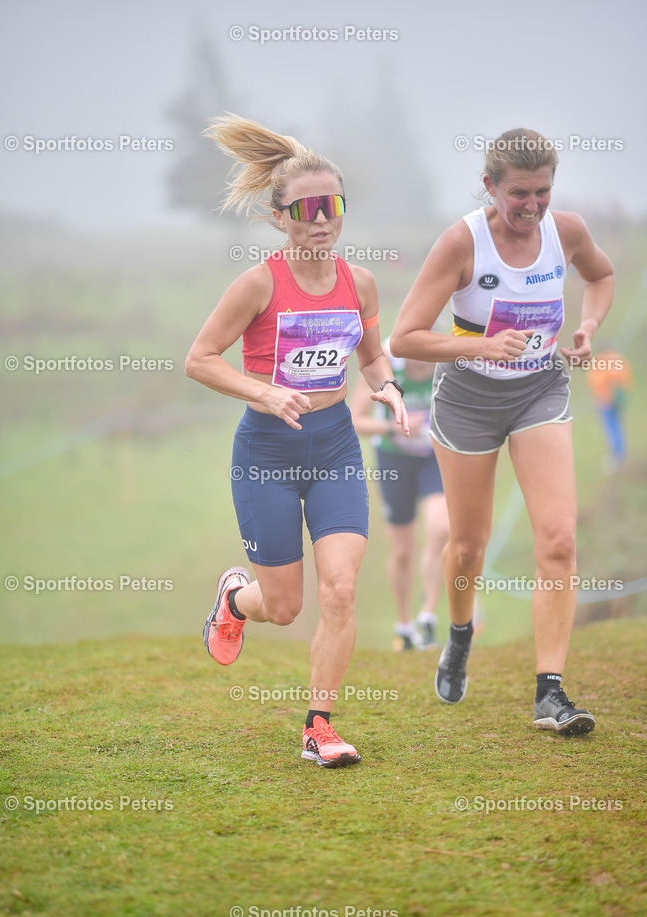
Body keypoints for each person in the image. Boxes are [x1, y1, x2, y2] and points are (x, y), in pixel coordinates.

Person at [185, 114, 408, 767]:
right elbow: (200, 358)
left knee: (339, 589)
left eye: (332, 205)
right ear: (280, 216)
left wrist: (388, 388)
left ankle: (320, 727)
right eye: (307, 208)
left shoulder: (357, 283)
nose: (322, 219)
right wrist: (263, 391)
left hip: (335, 445)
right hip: (267, 453)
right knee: (282, 607)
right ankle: (234, 600)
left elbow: (371, 360)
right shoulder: (258, 284)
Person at [391, 127, 615, 735]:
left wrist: (589, 325)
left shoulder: (565, 231)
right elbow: (405, 338)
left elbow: (601, 277)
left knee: (559, 541)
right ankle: (459, 634)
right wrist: (483, 344)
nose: (532, 207)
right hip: (467, 400)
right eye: (519, 193)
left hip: (540, 389)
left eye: (543, 192)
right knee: (467, 546)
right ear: (490, 186)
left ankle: (550, 693)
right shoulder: (460, 244)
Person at [350, 339, 449, 651]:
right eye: (417, 361)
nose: (423, 367)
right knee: (403, 549)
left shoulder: (448, 363)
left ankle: (428, 617)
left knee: (441, 528)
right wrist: (393, 427)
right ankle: (404, 625)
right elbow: (356, 420)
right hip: (394, 460)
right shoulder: (386, 363)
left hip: (435, 458)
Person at [586, 348, 632, 468]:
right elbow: (626, 378)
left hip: (606, 400)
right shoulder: (620, 359)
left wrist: (602, 397)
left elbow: (598, 381)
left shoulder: (601, 362)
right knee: (618, 426)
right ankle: (621, 455)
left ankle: (617, 458)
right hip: (620, 398)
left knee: (611, 428)